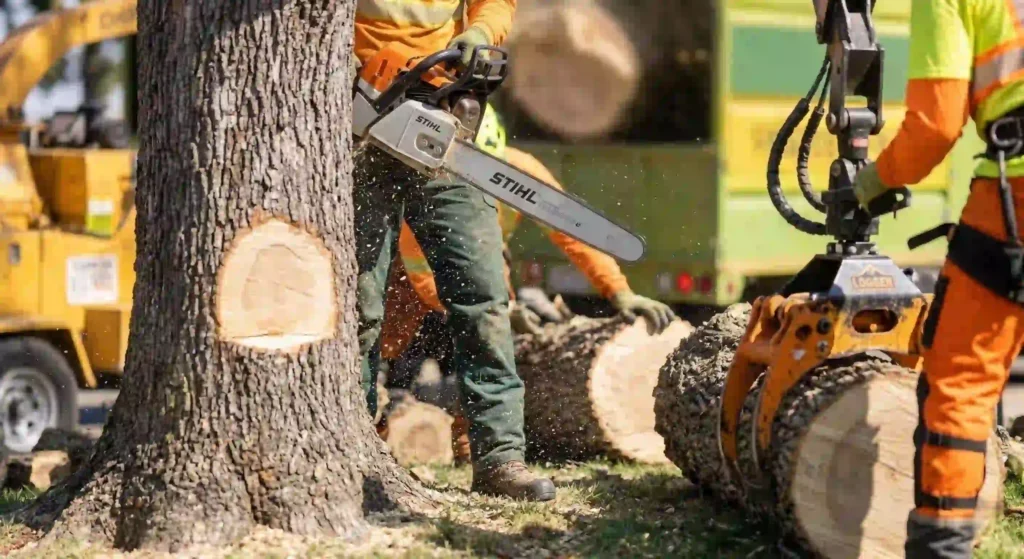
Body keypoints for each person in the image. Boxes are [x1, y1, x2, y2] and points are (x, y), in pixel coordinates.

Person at [378, 104, 677, 465]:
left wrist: (618, 291)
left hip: (482, 259)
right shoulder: (424, 178)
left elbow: (572, 231)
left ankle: (473, 447)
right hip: (411, 274)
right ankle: (376, 422)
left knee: (487, 348)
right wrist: (493, 309)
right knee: (385, 348)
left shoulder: (517, 170)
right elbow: (421, 272)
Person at [353, 0, 558, 502]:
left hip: (441, 125)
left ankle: (500, 459)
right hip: (359, 124)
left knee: (484, 299)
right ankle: (351, 441)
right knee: (357, 303)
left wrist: (482, 31)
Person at [851, 0, 1024, 555]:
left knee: (961, 382)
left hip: (1014, 200)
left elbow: (933, 128)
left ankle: (942, 544)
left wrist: (870, 182)